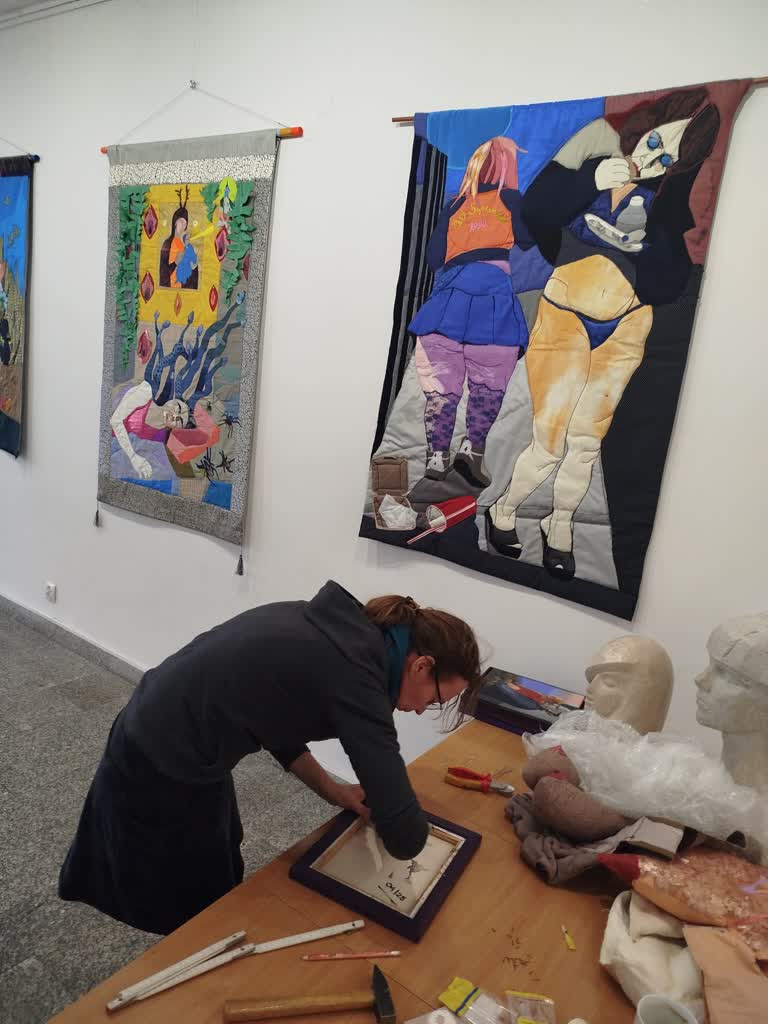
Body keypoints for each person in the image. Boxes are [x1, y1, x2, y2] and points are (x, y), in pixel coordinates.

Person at [58, 581, 481, 935]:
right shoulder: (357, 673)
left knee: (221, 862)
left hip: (174, 726)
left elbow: (273, 718)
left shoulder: (350, 633)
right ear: (421, 666)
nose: (423, 711)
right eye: (435, 699)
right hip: (162, 752)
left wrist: (334, 790)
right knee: (191, 904)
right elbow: (405, 836)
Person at [487, 88, 720, 579]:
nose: (654, 160)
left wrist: (647, 244)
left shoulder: (668, 195)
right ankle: (504, 510)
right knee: (549, 442)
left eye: (670, 158)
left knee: (586, 443)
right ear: (645, 127)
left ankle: (560, 525)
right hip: (566, 313)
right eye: (655, 143)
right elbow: (534, 215)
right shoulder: (596, 148)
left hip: (627, 324)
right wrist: (590, 180)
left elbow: (669, 281)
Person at [410, 136, 532, 489]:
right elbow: (526, 239)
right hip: (491, 306)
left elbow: (434, 257)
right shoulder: (510, 199)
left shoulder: (455, 204)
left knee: (440, 388)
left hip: (445, 307)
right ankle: (472, 450)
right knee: (488, 385)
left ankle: (436, 457)